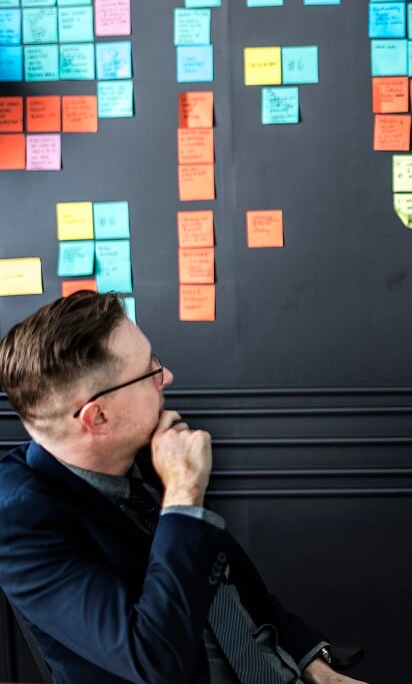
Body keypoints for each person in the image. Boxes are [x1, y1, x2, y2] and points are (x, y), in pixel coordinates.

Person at [0, 291, 366, 684]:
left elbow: (229, 582)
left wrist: (313, 664)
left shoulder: (144, 447)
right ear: (98, 416)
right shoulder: (19, 521)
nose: (166, 376)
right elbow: (153, 657)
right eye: (149, 370)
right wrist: (183, 497)